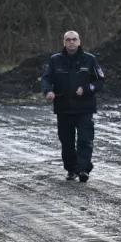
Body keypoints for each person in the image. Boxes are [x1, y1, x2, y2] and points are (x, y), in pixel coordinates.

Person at [40, 31, 105, 182]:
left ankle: (83, 170)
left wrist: (87, 89)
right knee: (66, 141)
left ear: (79, 42)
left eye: (74, 39)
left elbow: (100, 81)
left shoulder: (89, 59)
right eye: (68, 40)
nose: (71, 42)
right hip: (63, 108)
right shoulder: (55, 60)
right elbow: (46, 79)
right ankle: (71, 169)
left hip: (84, 108)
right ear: (63, 42)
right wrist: (48, 91)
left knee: (85, 139)